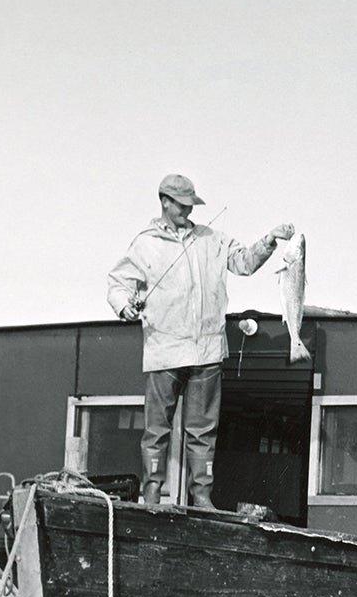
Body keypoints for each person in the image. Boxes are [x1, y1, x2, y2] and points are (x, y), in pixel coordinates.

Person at [106, 173, 295, 507]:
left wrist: (269, 239)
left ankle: (202, 496)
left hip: (206, 352)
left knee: (203, 433)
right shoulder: (144, 243)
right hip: (164, 351)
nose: (188, 211)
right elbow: (118, 283)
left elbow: (244, 262)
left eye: (191, 204)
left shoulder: (212, 238)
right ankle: (151, 491)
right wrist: (125, 307)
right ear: (164, 201)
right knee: (157, 430)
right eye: (182, 204)